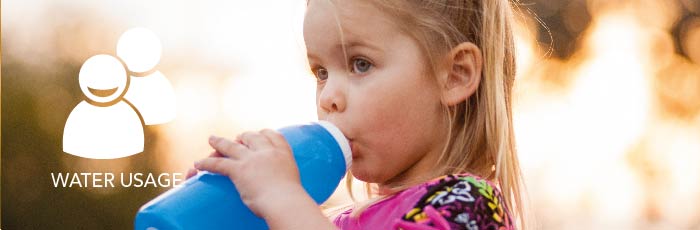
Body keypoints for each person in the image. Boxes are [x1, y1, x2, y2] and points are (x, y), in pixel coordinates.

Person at [189, 0, 526, 229]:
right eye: (321, 72)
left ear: (455, 75)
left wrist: (280, 199)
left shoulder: (469, 206)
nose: (329, 97)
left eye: (360, 64)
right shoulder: (334, 220)